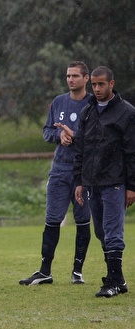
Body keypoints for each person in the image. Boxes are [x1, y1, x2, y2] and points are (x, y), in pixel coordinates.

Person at [19, 61, 92, 286]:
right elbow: (47, 131)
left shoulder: (93, 104)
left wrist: (76, 136)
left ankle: (77, 271)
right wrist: (59, 136)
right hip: (60, 171)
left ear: (86, 79)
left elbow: (99, 136)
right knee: (52, 219)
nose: (71, 80)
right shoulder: (59, 102)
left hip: (85, 173)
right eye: (68, 76)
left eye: (75, 76)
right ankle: (45, 271)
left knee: (83, 221)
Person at [73, 66, 135, 297]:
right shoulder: (87, 112)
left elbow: (132, 152)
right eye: (94, 85)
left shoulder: (126, 113)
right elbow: (81, 148)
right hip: (91, 182)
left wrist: (132, 186)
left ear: (112, 84)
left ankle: (111, 282)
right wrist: (79, 180)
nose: (97, 89)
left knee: (112, 231)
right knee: (100, 231)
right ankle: (119, 279)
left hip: (115, 182)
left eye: (101, 84)